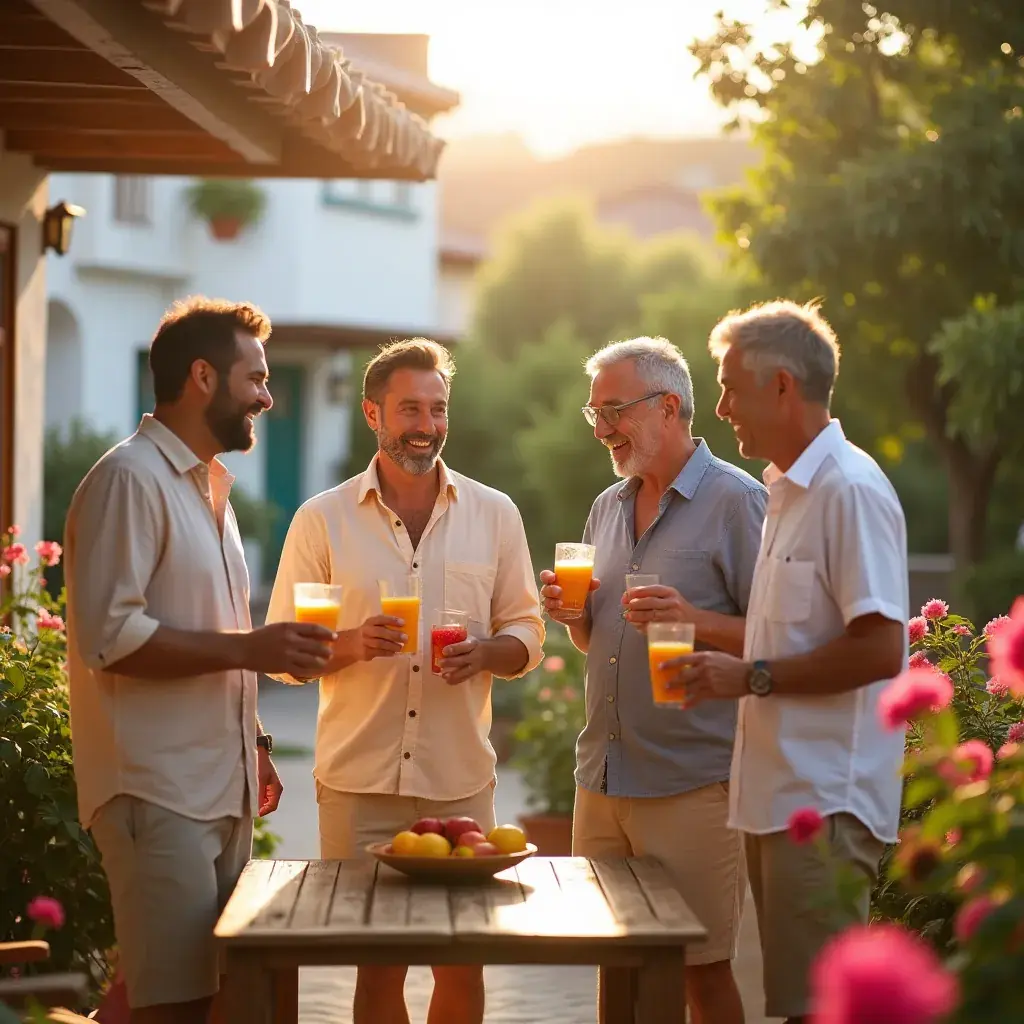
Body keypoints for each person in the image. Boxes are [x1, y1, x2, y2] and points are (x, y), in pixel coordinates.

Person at [64, 297, 337, 1024]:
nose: (268, 396)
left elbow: (207, 629)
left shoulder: (213, 491)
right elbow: (110, 637)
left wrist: (254, 742)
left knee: (227, 999)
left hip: (220, 787)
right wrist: (254, 649)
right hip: (156, 792)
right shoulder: (129, 479)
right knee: (174, 1006)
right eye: (257, 378)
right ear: (203, 377)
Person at [264, 337, 545, 1024]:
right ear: (373, 413)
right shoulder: (321, 519)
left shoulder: (495, 513)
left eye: (438, 408)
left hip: (460, 781)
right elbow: (280, 655)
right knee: (378, 966)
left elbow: (528, 635)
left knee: (463, 963)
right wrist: (352, 644)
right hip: (358, 786)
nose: (425, 425)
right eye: (410, 409)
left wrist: (488, 652)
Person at [670, 300, 908, 1023]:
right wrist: (705, 637)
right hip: (777, 799)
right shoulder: (786, 490)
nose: (719, 407)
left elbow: (881, 646)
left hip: (824, 803)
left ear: (781, 386)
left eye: (730, 387)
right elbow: (784, 637)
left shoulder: (849, 489)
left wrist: (751, 679)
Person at [539, 336, 767, 1024]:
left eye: (615, 411)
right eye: (595, 414)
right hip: (602, 780)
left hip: (691, 783)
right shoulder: (607, 507)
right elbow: (595, 643)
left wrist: (692, 617)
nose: (603, 428)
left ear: (669, 406)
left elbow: (780, 635)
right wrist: (573, 616)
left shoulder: (738, 502)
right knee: (616, 967)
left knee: (699, 971)